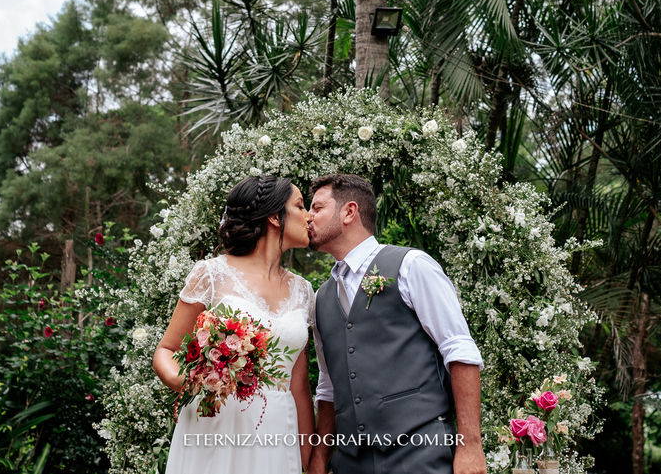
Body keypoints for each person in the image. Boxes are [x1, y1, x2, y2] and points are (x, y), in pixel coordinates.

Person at [306, 173, 487, 474]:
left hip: (420, 452)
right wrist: (320, 458)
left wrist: (470, 445)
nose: (308, 217)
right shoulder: (320, 298)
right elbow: (327, 385)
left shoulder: (412, 266)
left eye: (317, 207)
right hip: (350, 462)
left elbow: (459, 350)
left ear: (349, 212)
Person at [154, 175, 316, 474]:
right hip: (217, 422)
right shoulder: (211, 274)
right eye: (300, 206)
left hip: (277, 430)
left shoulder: (303, 291)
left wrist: (309, 461)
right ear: (274, 217)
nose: (309, 216)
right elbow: (166, 349)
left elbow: (299, 385)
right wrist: (191, 381)